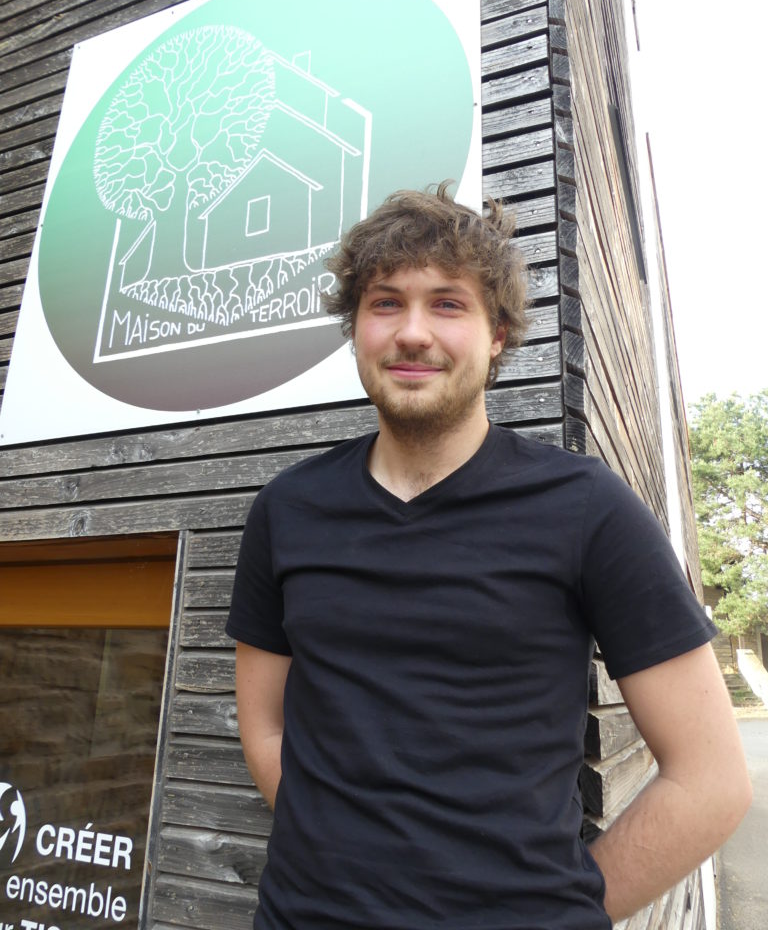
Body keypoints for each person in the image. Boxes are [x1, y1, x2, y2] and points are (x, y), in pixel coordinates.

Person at [226, 183, 751, 929]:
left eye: (447, 303)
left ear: (497, 334)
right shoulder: (288, 509)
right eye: (385, 303)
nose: (412, 332)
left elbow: (711, 780)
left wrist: (554, 912)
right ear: (356, 328)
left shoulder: (586, 508)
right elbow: (266, 729)